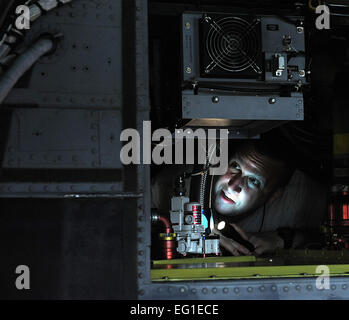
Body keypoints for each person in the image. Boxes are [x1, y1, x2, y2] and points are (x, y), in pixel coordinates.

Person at [151, 139, 327, 256]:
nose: (234, 184)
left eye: (253, 181)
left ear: (274, 196)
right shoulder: (176, 183)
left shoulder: (303, 199)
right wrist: (188, 233)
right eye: (235, 166)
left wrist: (283, 238)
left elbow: (329, 235)